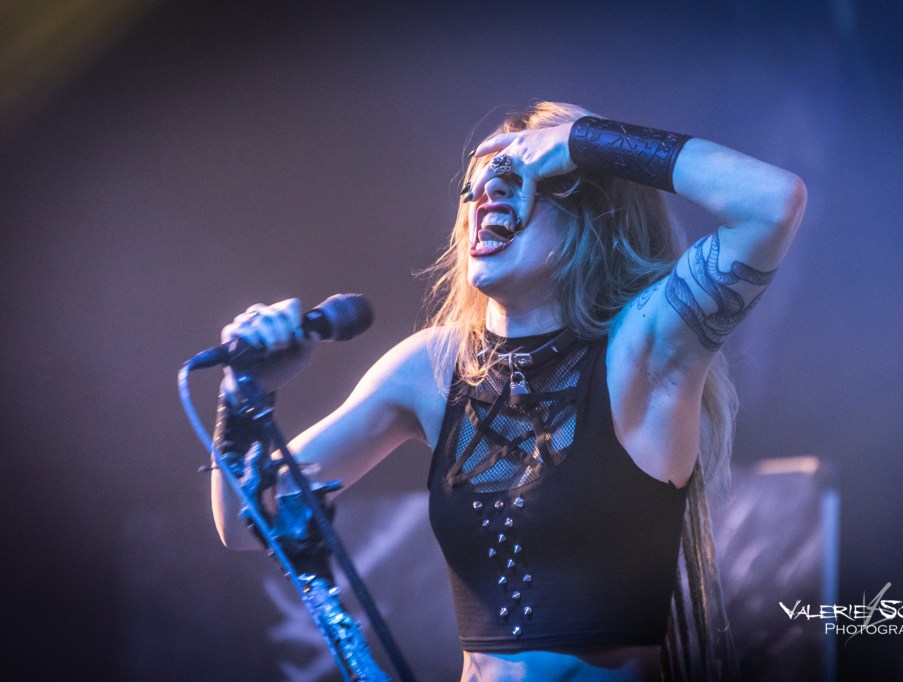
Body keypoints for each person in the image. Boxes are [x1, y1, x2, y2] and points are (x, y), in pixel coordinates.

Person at [211, 101, 806, 681]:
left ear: (592, 212)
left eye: (522, 178)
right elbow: (247, 522)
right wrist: (244, 393)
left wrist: (582, 140)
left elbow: (772, 203)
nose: (487, 197)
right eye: (476, 189)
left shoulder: (641, 349)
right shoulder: (433, 368)